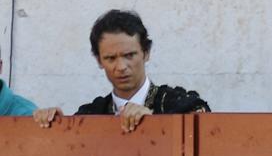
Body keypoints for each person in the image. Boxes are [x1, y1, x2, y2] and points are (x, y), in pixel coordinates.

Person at [33, 9, 209, 133]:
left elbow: (204, 119)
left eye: (129, 55)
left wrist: (156, 122)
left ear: (146, 53)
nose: (121, 67)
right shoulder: (92, 113)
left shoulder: (175, 102)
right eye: (110, 58)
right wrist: (56, 125)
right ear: (99, 60)